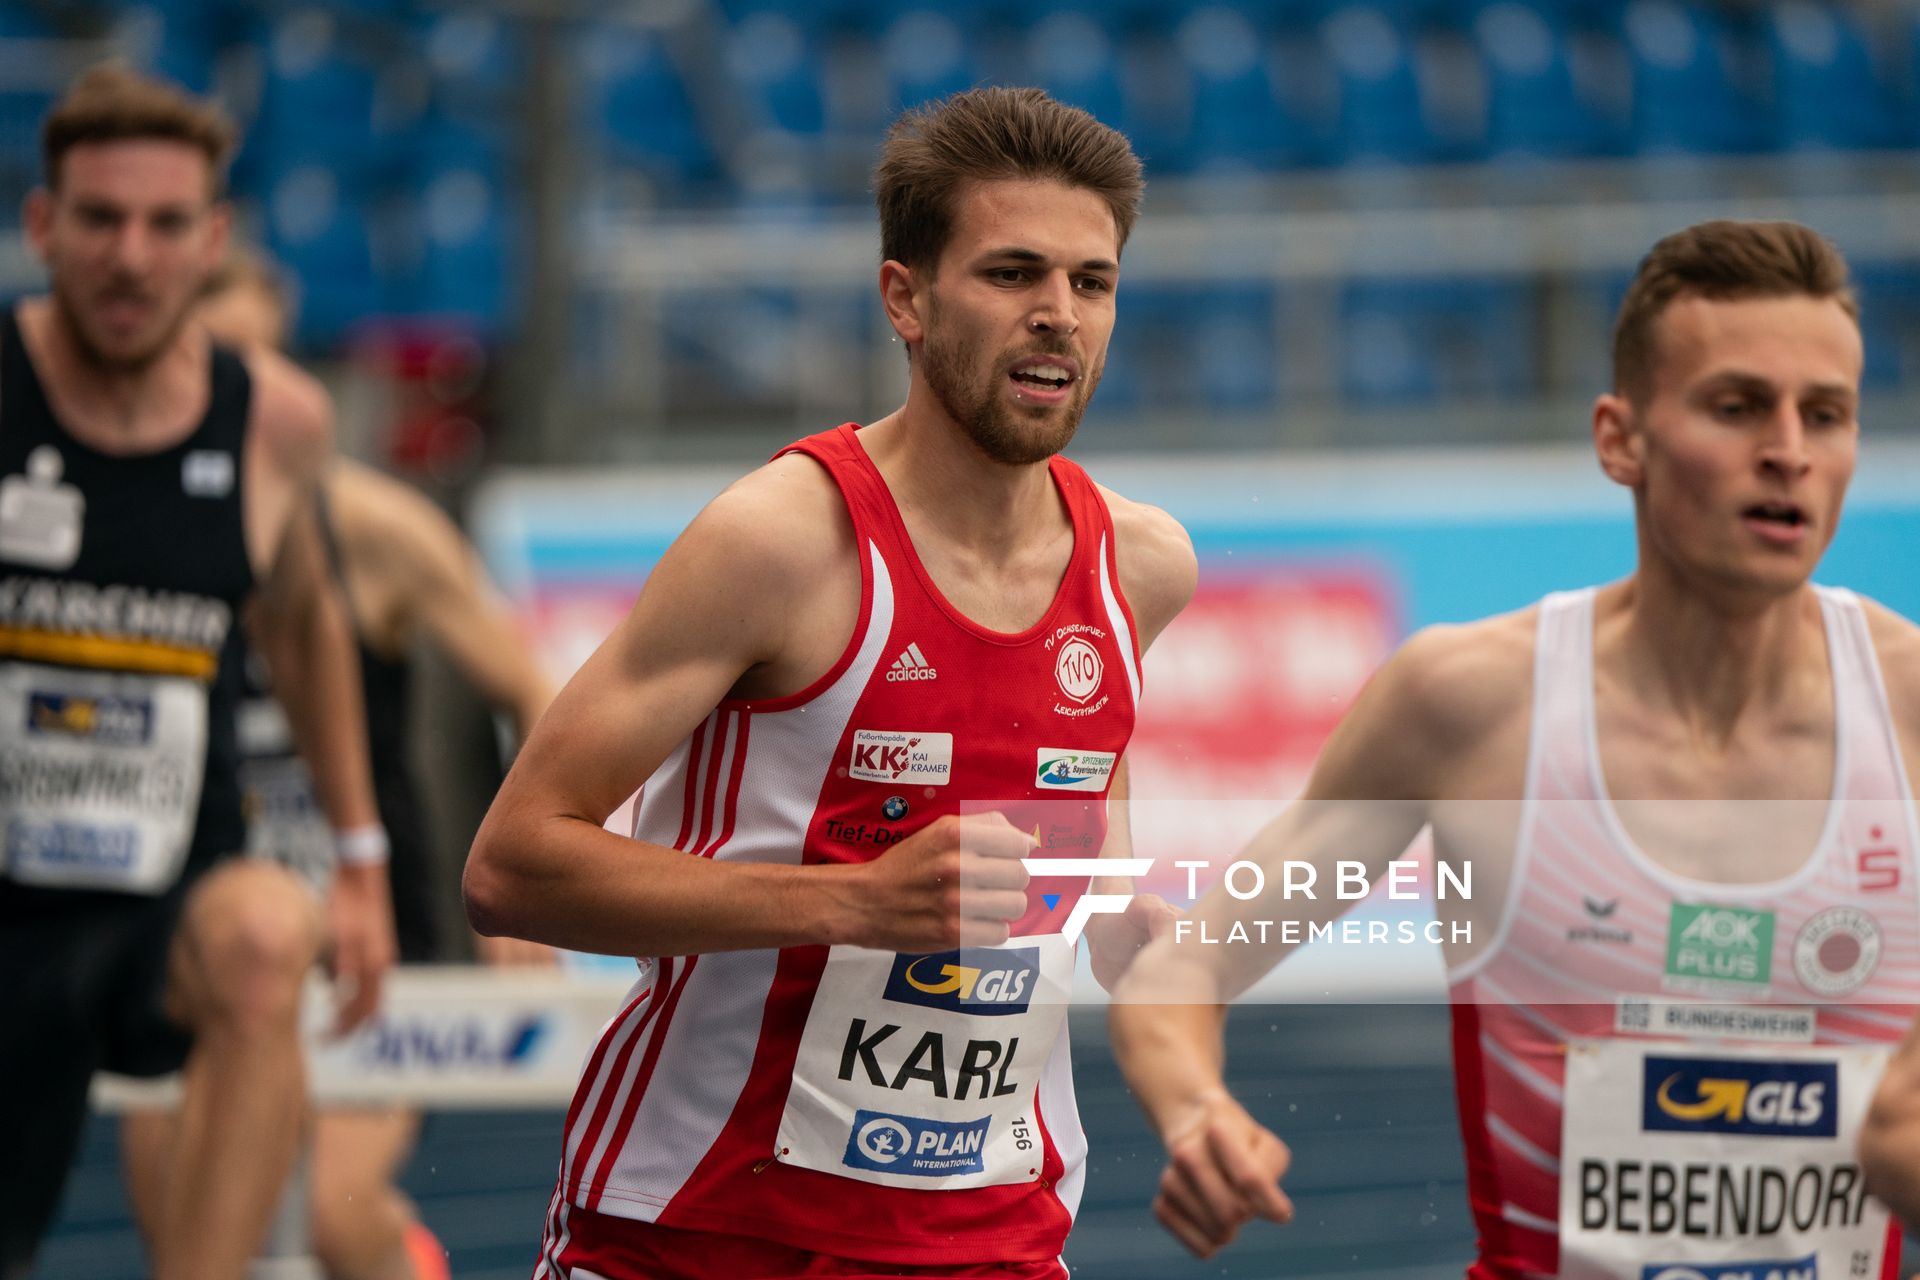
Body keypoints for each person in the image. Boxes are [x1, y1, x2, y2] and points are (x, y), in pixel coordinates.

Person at [464, 86, 1194, 1279]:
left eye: (1091, 282)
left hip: (989, 1240)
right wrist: (851, 903)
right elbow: (512, 864)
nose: (1058, 316)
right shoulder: (782, 542)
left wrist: (1117, 921)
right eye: (1012, 274)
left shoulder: (1142, 568)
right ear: (905, 297)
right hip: (699, 1228)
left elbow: (1071, 822)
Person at [1109, 219, 1920, 1279]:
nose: (1789, 449)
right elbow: (1187, 960)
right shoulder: (1473, 707)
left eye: (1828, 413)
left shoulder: (1907, 707)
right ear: (1619, 437)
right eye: (1736, 405)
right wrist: (1195, 1108)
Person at [0, 64, 396, 1280]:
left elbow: (309, 620)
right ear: (43, 225)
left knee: (268, 930)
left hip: (165, 899)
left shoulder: (274, 420)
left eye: (167, 223)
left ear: (211, 237)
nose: (131, 255)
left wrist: (359, 859)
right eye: (101, 219)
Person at [160, 246, 557, 1280]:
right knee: (193, 1239)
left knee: (336, 1221)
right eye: (209, 358)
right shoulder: (139, 519)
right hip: (195, 930)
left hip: (368, 946)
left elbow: (531, 686)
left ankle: (404, 1257)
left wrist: (537, 871)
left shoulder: (372, 526)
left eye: (254, 359)